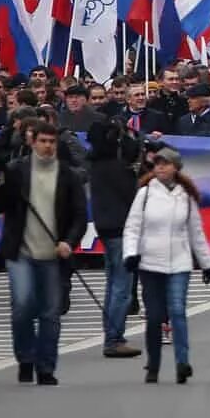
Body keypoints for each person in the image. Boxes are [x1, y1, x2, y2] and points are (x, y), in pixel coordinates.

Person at [0, 120, 88, 386]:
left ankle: (46, 367)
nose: (47, 146)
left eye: (51, 142)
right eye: (43, 141)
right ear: (32, 142)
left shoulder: (67, 175)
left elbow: (79, 214)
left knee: (50, 312)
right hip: (21, 250)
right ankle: (25, 358)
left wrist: (69, 241)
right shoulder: (16, 170)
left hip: (54, 254)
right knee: (23, 307)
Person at [121, 147, 210, 384]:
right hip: (150, 263)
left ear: (176, 168)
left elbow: (196, 231)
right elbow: (132, 227)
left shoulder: (186, 196)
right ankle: (153, 364)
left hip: (179, 262)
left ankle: (182, 362)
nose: (160, 167)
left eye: (166, 163)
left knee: (177, 312)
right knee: (154, 317)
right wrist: (131, 254)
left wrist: (206, 263)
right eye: (157, 164)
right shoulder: (145, 194)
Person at [87, 117, 142, 358]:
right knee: (122, 287)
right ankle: (114, 337)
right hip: (121, 228)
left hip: (105, 227)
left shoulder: (95, 164)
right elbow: (132, 192)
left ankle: (111, 333)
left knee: (112, 284)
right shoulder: (115, 167)